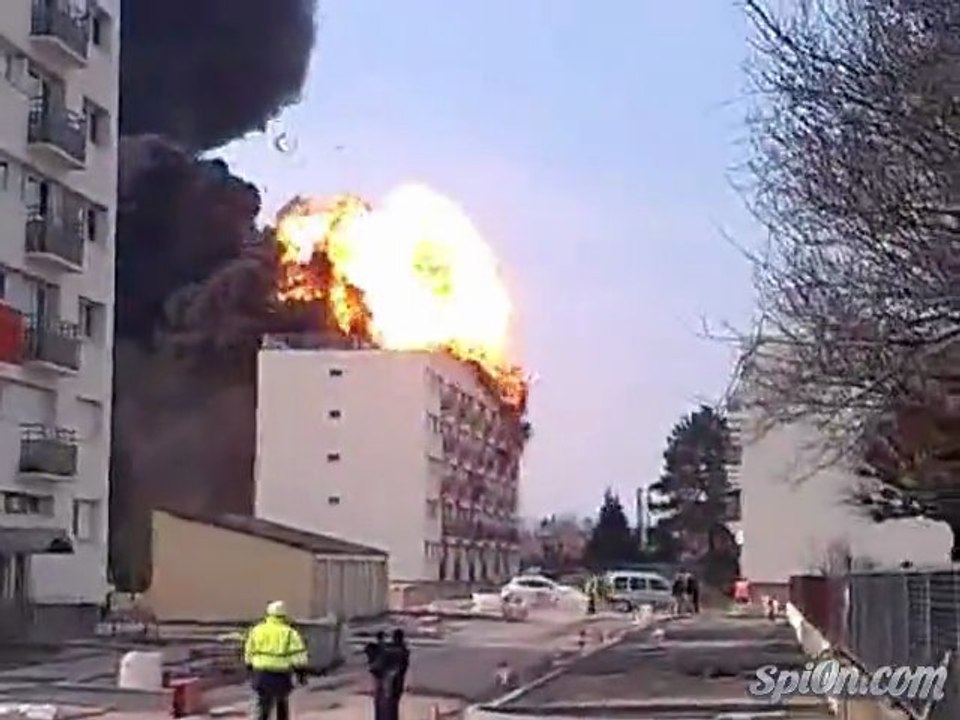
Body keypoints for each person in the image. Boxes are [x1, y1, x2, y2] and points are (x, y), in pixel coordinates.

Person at [243, 600, 309, 720]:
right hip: (281, 674)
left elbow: (249, 650)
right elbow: (298, 655)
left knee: (261, 704)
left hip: (261, 672)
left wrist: (249, 666)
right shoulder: (290, 633)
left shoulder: (257, 630)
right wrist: (301, 674)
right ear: (284, 615)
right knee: (281, 703)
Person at [386, 628, 410, 720]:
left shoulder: (389, 650)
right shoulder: (404, 650)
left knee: (390, 703)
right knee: (395, 703)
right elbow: (405, 666)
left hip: (389, 680)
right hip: (398, 680)